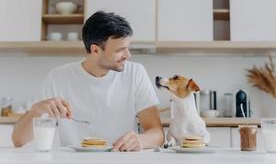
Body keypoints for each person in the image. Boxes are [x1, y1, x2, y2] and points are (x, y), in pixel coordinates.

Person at [12, 11, 164, 151]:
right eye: (120, 50)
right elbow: (18, 140)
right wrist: (37, 111)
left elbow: (157, 134)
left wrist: (141, 141)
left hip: (121, 158)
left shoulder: (135, 73)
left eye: (127, 48)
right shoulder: (58, 77)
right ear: (95, 50)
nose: (128, 55)